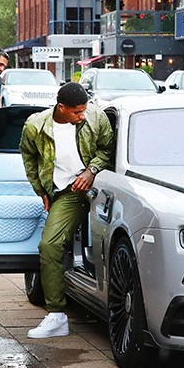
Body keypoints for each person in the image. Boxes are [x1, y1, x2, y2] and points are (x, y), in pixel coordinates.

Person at [19, 82, 113, 339]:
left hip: (98, 187)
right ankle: (57, 315)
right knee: (49, 246)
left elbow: (107, 149)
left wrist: (91, 170)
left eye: (84, 110)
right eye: (77, 112)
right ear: (61, 108)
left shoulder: (96, 117)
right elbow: (28, 156)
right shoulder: (36, 126)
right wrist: (41, 190)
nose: (82, 115)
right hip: (66, 194)